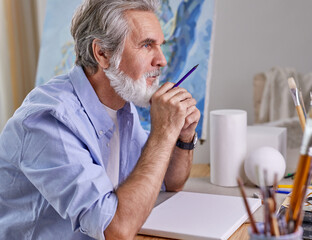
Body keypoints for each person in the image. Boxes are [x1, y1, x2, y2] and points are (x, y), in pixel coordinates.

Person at [0, 0, 200, 239]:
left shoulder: (122, 107)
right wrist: (164, 132)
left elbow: (169, 183)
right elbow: (115, 230)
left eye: (160, 45)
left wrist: (183, 137)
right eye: (147, 45)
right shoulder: (48, 121)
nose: (162, 60)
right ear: (102, 53)